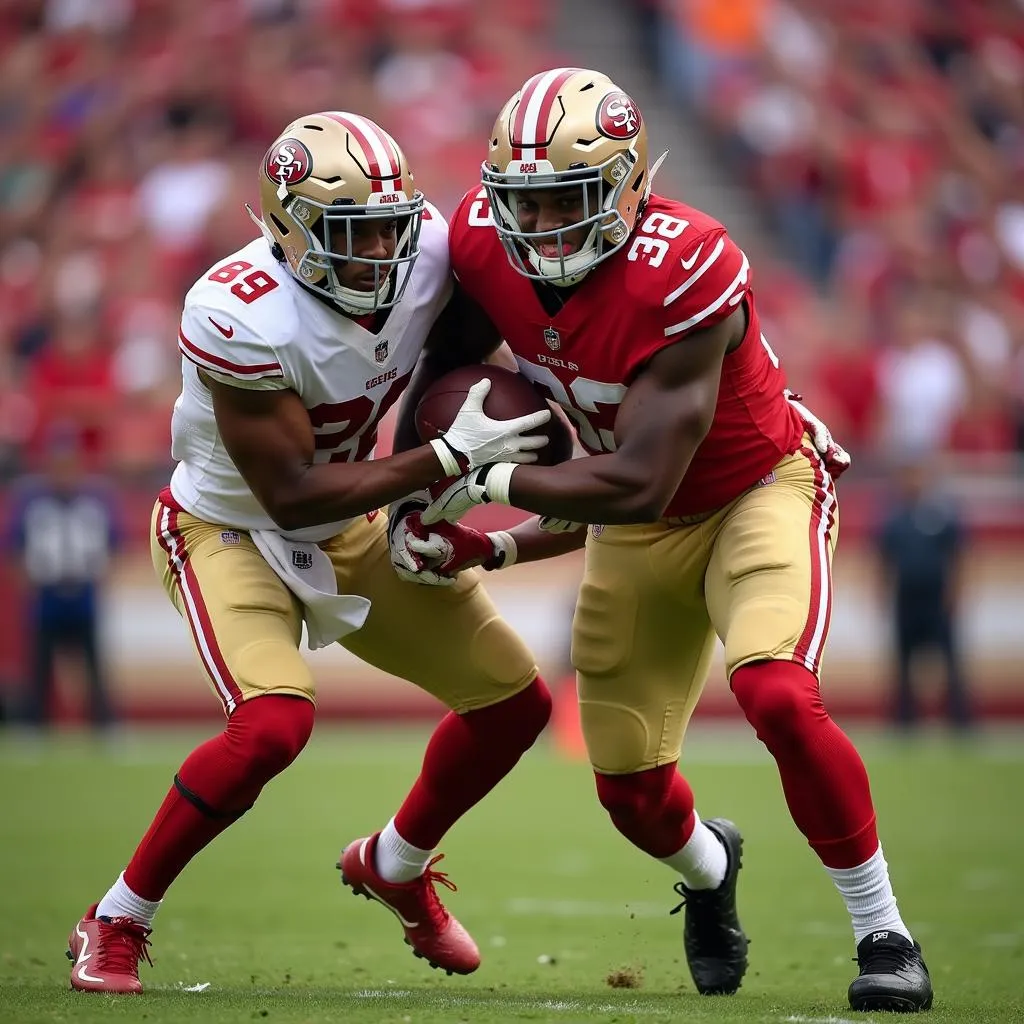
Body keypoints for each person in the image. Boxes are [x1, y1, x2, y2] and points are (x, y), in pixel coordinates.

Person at [394, 69, 933, 1013]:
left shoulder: (690, 269)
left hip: (750, 492)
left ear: (631, 186)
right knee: (631, 793)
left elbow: (641, 480)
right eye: (527, 201)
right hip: (635, 528)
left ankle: (883, 932)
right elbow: (450, 368)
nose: (546, 224)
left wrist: (481, 483)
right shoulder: (482, 242)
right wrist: (420, 500)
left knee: (774, 688)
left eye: (570, 197)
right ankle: (711, 865)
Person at [66, 110, 556, 995]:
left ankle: (396, 864)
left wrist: (418, 502)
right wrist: (443, 462)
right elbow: (289, 488)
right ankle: (117, 917)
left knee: (515, 704)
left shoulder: (432, 258)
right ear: (288, 231)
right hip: (229, 528)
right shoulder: (237, 313)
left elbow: (451, 367)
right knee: (273, 725)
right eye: (350, 231)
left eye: (389, 225)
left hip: (349, 518)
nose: (378, 249)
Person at [4, 426, 121, 733]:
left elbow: (115, 544)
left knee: (93, 665)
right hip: (46, 593)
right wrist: (25, 581)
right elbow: (14, 546)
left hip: (84, 592)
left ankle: (103, 726)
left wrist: (104, 574)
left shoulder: (96, 499)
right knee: (40, 665)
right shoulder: (31, 500)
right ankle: (33, 727)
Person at [877, 459, 971, 732]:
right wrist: (882, 593)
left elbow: (958, 556)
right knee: (903, 661)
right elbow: (883, 559)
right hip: (906, 599)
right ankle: (904, 719)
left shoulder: (943, 513)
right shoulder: (893, 518)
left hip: (936, 598)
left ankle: (960, 718)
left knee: (949, 659)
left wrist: (956, 593)